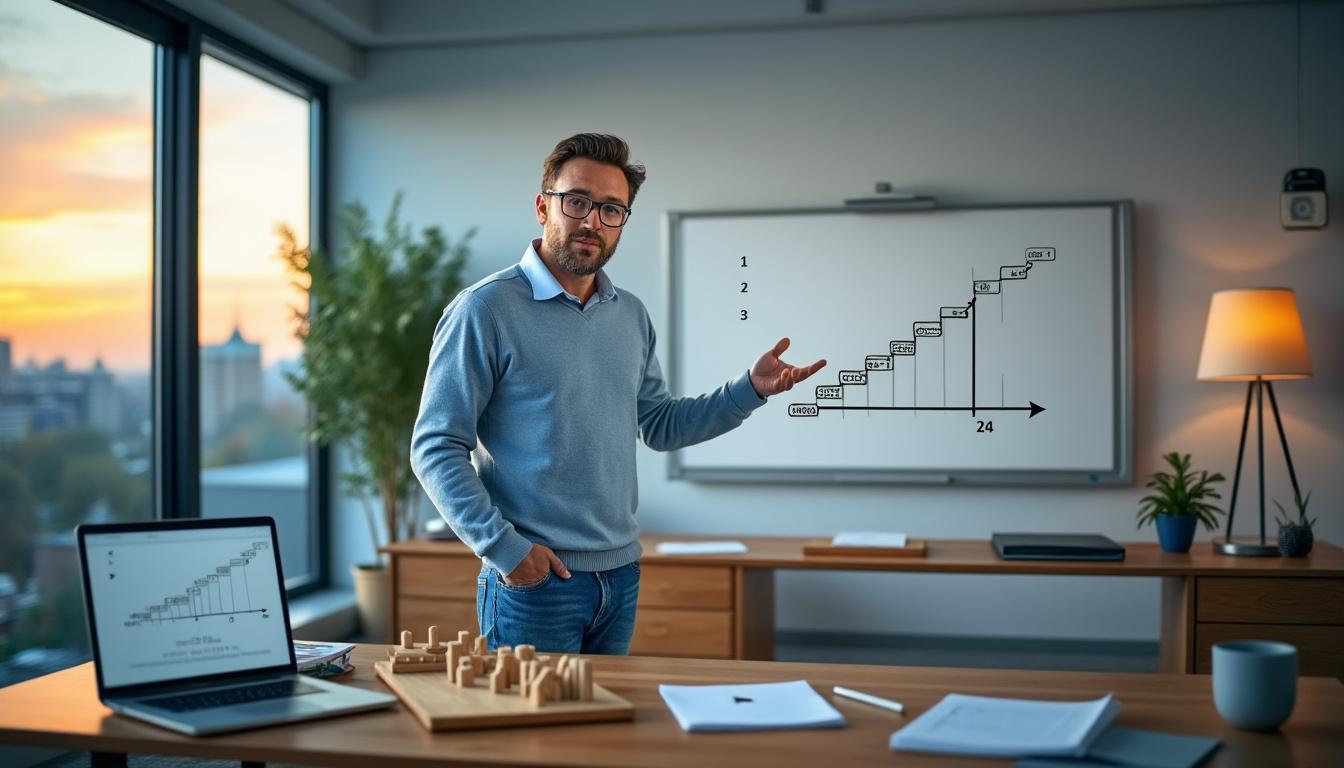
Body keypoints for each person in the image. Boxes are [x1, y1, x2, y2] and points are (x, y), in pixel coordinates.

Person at [410, 133, 825, 654]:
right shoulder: (484, 310)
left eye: (611, 210)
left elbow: (660, 425)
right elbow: (435, 447)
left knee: (604, 734)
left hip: (620, 574)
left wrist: (748, 391)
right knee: (536, 735)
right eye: (577, 202)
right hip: (536, 581)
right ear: (544, 206)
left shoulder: (628, 314)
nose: (592, 222)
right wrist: (507, 551)